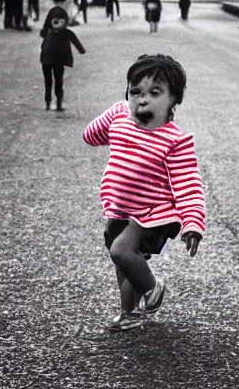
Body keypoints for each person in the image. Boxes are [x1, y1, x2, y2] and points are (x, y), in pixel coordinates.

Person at [83, 54, 206, 331]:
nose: (142, 99)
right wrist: (111, 117)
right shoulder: (119, 116)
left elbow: (189, 184)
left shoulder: (175, 141)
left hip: (154, 214)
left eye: (154, 92)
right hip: (120, 208)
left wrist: (193, 223)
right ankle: (130, 313)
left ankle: (154, 287)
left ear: (174, 99)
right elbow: (91, 136)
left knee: (122, 250)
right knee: (124, 261)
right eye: (135, 92)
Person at [39, 6, 86, 111]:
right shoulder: (67, 32)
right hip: (59, 60)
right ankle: (59, 103)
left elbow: (42, 34)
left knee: (48, 81)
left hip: (46, 59)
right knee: (58, 80)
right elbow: (76, 41)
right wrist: (81, 50)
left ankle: (48, 103)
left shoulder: (47, 31)